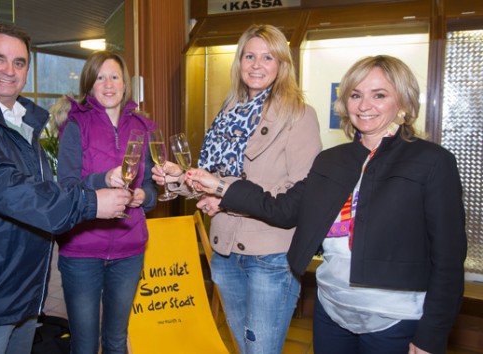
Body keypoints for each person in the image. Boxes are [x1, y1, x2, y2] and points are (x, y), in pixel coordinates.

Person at [187, 55, 467, 354]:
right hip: (332, 312)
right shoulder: (332, 160)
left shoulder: (432, 161)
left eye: (379, 95)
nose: (364, 105)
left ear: (404, 102)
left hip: (395, 320)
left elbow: (448, 259)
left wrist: (431, 336)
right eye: (355, 95)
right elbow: (282, 209)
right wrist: (220, 186)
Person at [0, 24, 131, 354]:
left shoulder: (21, 121)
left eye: (19, 62)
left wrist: (98, 188)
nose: (9, 70)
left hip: (18, 297)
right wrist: (91, 202)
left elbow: (40, 189)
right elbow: (10, 191)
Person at [153, 24, 322, 353]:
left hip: (270, 255)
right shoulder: (228, 113)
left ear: (282, 64)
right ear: (239, 62)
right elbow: (210, 180)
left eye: (267, 57)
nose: (256, 64)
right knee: (243, 348)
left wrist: (225, 195)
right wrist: (178, 177)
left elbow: (298, 192)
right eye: (249, 56)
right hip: (225, 252)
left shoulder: (299, 115)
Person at [51, 50, 157, 354]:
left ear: (125, 85)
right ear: (90, 84)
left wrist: (143, 196)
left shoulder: (143, 128)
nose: (108, 84)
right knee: (84, 345)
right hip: (82, 250)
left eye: (114, 77)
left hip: (129, 250)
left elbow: (150, 186)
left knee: (116, 340)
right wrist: (102, 179)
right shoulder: (74, 126)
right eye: (100, 77)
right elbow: (67, 187)